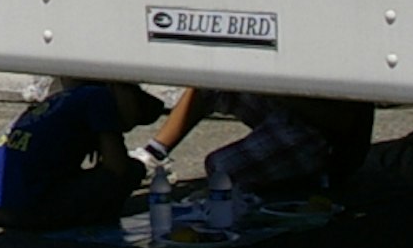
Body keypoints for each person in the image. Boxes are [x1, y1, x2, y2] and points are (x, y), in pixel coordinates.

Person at [138, 87, 374, 207]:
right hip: (290, 111)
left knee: (221, 169)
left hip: (326, 140)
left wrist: (275, 89)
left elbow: (342, 121)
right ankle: (154, 153)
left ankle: (306, 180)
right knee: (213, 83)